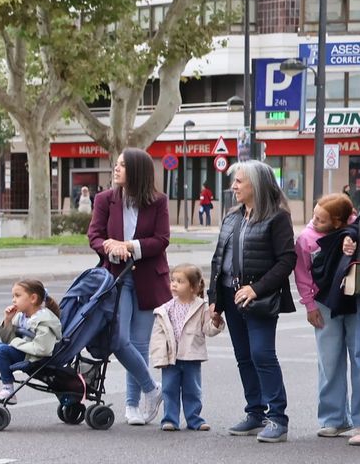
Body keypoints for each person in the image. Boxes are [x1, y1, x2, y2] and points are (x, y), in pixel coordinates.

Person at [208, 160, 297, 442]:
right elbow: (218, 261)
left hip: (258, 300)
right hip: (230, 297)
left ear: (255, 185)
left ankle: (277, 418)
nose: (233, 186)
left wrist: (255, 289)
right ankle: (255, 413)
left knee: (262, 355)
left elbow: (286, 260)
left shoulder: (277, 218)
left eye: (239, 181)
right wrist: (215, 301)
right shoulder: (232, 217)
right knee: (244, 357)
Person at [89, 148, 170, 426]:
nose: (116, 168)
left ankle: (133, 405)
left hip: (149, 279)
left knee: (139, 344)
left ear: (136, 171)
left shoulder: (158, 201)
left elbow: (161, 240)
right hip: (116, 278)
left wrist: (130, 246)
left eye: (123, 165)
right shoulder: (104, 199)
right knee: (119, 341)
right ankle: (152, 389)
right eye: (117, 164)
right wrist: (109, 246)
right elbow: (94, 236)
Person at [294, 192, 360, 438]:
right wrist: (309, 306)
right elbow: (302, 274)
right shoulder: (306, 239)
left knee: (358, 357)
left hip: (354, 298)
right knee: (329, 360)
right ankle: (333, 418)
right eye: (314, 216)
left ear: (338, 222)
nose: (314, 222)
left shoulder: (354, 229)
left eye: (321, 220)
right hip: (323, 303)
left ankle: (359, 420)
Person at [148, 263, 223, 432]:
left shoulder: (201, 307)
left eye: (180, 281)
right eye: (173, 280)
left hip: (192, 357)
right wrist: (160, 358)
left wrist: (216, 321)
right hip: (171, 358)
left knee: (193, 391)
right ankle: (170, 419)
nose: (174, 284)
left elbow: (208, 330)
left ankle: (194, 419)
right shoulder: (165, 309)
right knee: (169, 390)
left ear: (193, 287)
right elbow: (158, 336)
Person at [0, 278, 63, 400]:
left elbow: (43, 349)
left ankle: (8, 388)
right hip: (26, 352)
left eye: (17, 296)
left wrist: (16, 342)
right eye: (13, 296)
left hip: (36, 358)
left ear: (33, 298)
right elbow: (7, 341)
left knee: (2, 350)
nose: (13, 300)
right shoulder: (21, 317)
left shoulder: (44, 320)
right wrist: (7, 320)